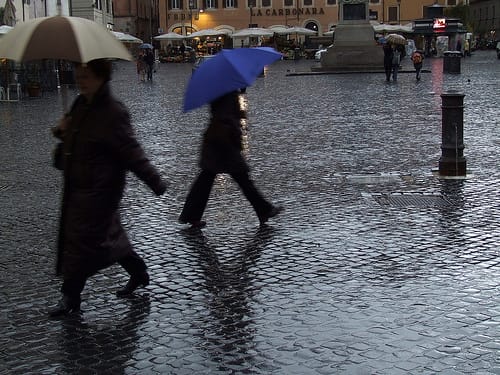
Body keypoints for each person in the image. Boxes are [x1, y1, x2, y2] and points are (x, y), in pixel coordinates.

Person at [49, 59, 167, 317]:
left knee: (80, 243)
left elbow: (131, 151)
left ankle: (70, 296)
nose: (80, 80)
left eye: (86, 75)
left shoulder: (114, 112)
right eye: (78, 74)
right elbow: (73, 144)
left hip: (101, 190)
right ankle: (138, 272)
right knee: (107, 238)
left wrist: (155, 181)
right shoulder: (80, 104)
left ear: (101, 77)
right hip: (78, 188)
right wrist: (61, 132)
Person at [179, 90, 282, 228]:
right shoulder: (226, 91)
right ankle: (264, 210)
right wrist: (237, 124)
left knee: (207, 180)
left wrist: (239, 114)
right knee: (240, 177)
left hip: (219, 140)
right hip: (223, 142)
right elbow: (225, 115)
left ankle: (190, 215)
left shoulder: (222, 89)